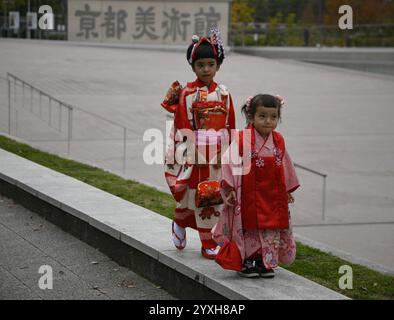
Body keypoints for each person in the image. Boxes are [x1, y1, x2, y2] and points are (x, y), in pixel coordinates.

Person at [161, 29, 236, 259]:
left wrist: (229, 150)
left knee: (211, 197)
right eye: (201, 64)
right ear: (193, 66)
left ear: (218, 66)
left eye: (210, 64)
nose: (206, 69)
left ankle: (208, 241)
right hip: (194, 153)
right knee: (192, 195)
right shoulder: (187, 93)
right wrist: (194, 148)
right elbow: (182, 125)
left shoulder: (224, 93)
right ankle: (180, 223)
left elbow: (230, 124)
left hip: (216, 153)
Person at [213, 94, 299, 277]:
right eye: (262, 116)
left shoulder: (278, 140)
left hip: (271, 195)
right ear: (251, 117)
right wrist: (229, 188)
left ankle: (263, 261)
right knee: (247, 228)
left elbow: (285, 163)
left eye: (273, 117)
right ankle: (245, 261)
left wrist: (286, 190)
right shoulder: (242, 139)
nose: (268, 121)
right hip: (248, 194)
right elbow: (229, 160)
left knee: (269, 229)